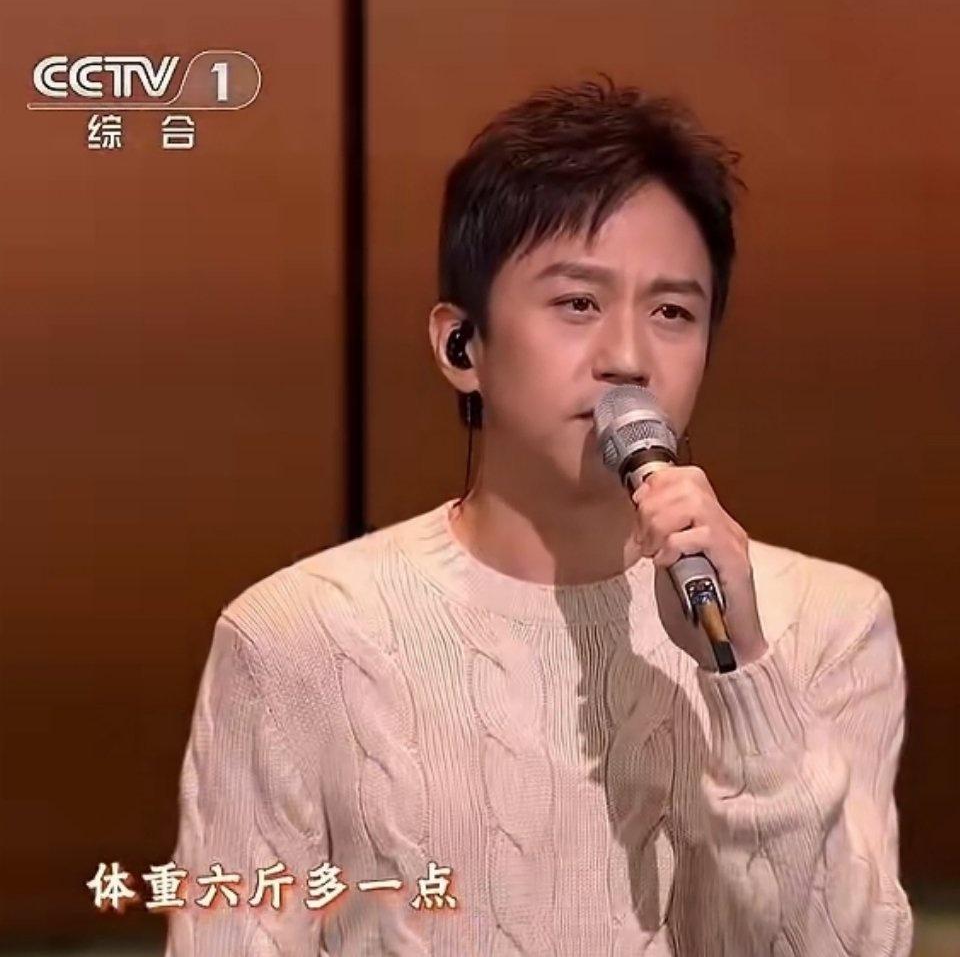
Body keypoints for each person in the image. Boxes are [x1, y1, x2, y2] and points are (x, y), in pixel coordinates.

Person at [164, 76, 913, 955]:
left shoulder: (829, 623)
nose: (628, 356)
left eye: (673, 311)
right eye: (578, 303)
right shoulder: (294, 637)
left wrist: (741, 667)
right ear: (462, 345)